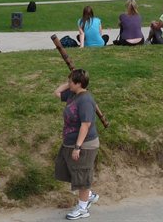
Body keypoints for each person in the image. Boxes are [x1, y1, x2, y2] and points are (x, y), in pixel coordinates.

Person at [54, 69, 100, 220]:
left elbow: (85, 125)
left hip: (84, 145)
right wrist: (70, 83)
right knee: (69, 171)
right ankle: (89, 195)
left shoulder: (85, 100)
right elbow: (57, 92)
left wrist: (78, 147)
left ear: (79, 84)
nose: (67, 84)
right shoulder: (74, 95)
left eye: (71, 82)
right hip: (70, 141)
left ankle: (82, 208)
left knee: (81, 175)